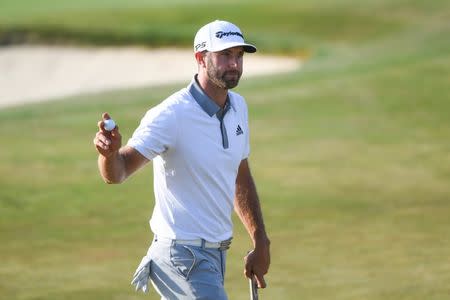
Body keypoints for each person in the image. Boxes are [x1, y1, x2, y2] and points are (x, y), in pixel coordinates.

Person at [93, 20, 270, 299]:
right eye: (225, 55)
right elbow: (118, 172)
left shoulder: (239, 108)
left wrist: (260, 239)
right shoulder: (171, 115)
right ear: (201, 58)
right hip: (181, 256)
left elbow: (239, 173)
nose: (234, 64)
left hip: (215, 255)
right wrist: (109, 154)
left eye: (238, 55)